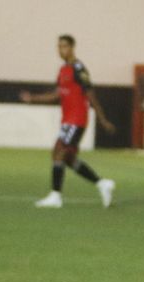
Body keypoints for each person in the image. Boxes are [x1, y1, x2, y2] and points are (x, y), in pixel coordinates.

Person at [20, 34, 116, 208]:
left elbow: (91, 94)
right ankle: (102, 184)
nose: (60, 50)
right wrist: (33, 98)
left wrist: (102, 119)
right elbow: (57, 95)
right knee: (68, 157)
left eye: (63, 46)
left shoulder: (79, 68)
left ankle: (55, 196)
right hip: (67, 120)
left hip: (77, 119)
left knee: (59, 151)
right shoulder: (63, 70)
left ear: (72, 48)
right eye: (58, 46)